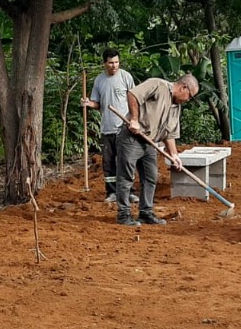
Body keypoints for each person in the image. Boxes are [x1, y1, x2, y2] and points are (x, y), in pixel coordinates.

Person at [114, 74, 199, 226]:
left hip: (149, 142)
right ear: (183, 87)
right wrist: (134, 119)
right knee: (126, 177)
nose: (188, 100)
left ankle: (145, 212)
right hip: (131, 139)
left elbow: (170, 133)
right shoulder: (157, 85)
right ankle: (123, 214)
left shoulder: (176, 108)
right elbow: (133, 94)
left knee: (150, 177)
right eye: (190, 96)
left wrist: (174, 155)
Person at [82, 49, 136, 202]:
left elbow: (134, 101)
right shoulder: (99, 80)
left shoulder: (126, 77)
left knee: (126, 161)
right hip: (107, 128)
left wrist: (133, 119)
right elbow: (96, 103)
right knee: (109, 162)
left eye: (117, 62)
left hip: (124, 128)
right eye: (111, 63)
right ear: (105, 63)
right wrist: (88, 103)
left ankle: (130, 192)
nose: (114, 65)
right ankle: (111, 193)